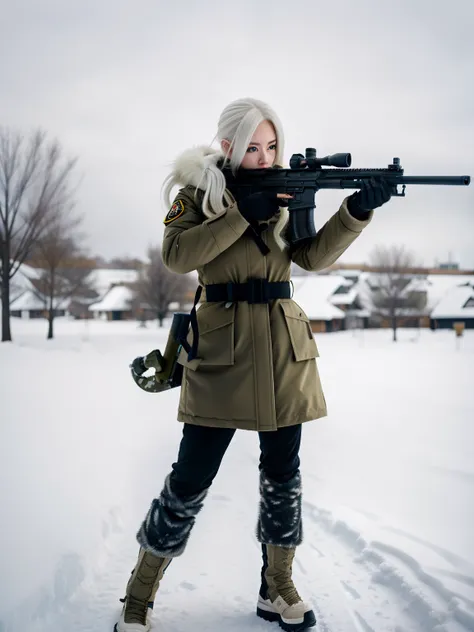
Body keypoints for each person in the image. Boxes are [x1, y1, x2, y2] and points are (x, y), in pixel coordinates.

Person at [114, 98, 392, 632]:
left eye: (271, 147)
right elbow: (177, 256)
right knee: (191, 476)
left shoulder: (289, 191)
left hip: (284, 351)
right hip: (221, 352)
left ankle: (276, 587)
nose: (264, 158)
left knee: (283, 477)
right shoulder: (196, 194)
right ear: (227, 147)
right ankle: (139, 592)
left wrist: (357, 211)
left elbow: (309, 256)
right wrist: (242, 214)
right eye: (252, 148)